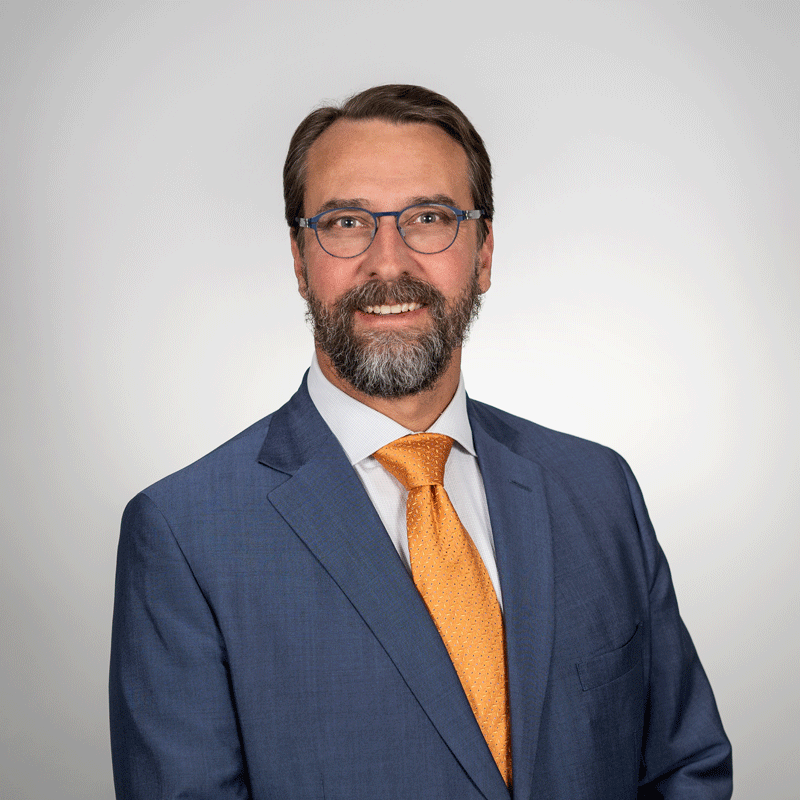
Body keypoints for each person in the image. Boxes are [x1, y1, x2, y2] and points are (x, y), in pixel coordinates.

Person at [109, 84, 732, 799]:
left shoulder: (597, 489)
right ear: (300, 260)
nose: (389, 262)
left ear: (484, 252)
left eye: (429, 218)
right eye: (346, 222)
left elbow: (686, 768)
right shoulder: (186, 535)